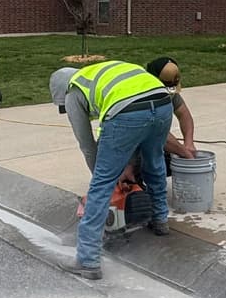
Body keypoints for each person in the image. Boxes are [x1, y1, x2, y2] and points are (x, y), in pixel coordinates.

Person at [49, 59, 178, 280]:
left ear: (61, 90)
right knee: (154, 161)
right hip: (163, 103)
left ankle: (87, 260)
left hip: (127, 111)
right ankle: (160, 220)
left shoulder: (73, 91)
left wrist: (107, 177)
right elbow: (135, 133)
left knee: (101, 183)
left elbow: (88, 146)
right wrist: (125, 165)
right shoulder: (100, 73)